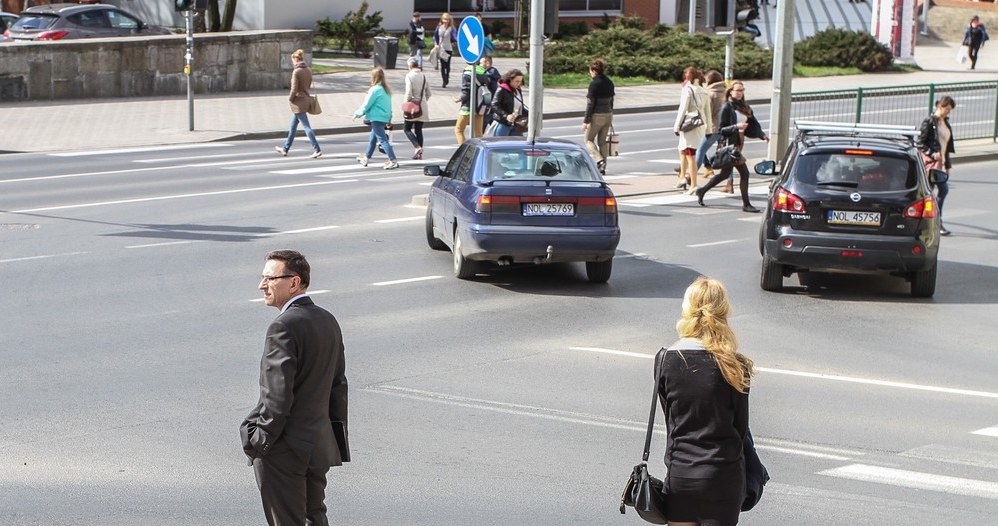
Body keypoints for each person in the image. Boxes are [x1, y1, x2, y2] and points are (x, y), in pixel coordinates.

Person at [241, 249, 349, 526]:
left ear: (293, 283)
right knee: (314, 517)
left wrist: (260, 441)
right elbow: (338, 385)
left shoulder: (283, 327)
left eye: (270, 278)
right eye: (262, 278)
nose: (262, 285)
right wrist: (333, 440)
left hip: (285, 447)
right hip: (317, 445)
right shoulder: (327, 320)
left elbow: (277, 396)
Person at [659, 277, 754, 526]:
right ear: (723, 310)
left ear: (687, 308)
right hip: (723, 477)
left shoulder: (666, 360)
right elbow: (740, 429)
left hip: (681, 474)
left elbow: (672, 423)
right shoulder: (734, 364)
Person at [695, 80, 768, 213]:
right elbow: (721, 129)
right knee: (744, 174)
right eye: (738, 90)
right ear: (731, 91)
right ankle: (746, 204)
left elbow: (753, 123)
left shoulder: (744, 107)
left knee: (725, 174)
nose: (740, 93)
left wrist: (762, 135)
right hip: (729, 145)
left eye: (742, 90)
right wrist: (736, 126)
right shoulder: (726, 107)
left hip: (738, 143)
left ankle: (702, 190)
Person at [917, 95, 956, 236]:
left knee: (930, 193)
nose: (948, 112)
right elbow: (920, 142)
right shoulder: (929, 121)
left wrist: (948, 165)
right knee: (937, 191)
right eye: (947, 109)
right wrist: (932, 154)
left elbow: (946, 146)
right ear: (940, 106)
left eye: (950, 110)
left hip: (940, 165)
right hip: (931, 164)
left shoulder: (945, 122)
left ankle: (929, 223)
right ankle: (935, 224)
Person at [275, 49, 321, 159]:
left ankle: (317, 149)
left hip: (298, 102)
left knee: (306, 127)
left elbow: (294, 89)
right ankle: (285, 149)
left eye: (292, 60)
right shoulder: (308, 69)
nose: (292, 63)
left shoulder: (296, 71)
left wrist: (290, 99)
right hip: (306, 99)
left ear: (295, 59)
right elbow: (308, 85)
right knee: (293, 126)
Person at [673, 67, 711, 194]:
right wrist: (709, 129)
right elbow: (708, 112)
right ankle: (682, 177)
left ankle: (693, 184)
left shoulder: (687, 90)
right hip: (699, 124)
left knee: (689, 153)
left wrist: (676, 126)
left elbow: (682, 109)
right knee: (683, 150)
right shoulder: (703, 91)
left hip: (688, 124)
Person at [354, 67, 399, 170]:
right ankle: (367, 157)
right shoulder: (386, 89)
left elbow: (367, 104)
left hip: (376, 117)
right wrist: (389, 117)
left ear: (373, 77)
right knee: (372, 139)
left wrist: (358, 113)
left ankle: (393, 161)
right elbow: (389, 105)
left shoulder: (374, 89)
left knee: (382, 140)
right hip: (384, 117)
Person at [695, 70, 728, 193]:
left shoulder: (710, 94)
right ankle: (729, 183)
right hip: (726, 128)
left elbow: (708, 113)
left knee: (701, 150)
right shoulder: (726, 92)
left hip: (713, 128)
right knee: (726, 155)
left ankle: (691, 178)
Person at [582, 58, 615, 175]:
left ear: (593, 70)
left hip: (597, 115)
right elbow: (611, 100)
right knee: (602, 142)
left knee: (588, 140)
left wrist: (586, 121)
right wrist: (611, 114)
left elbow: (590, 104)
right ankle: (603, 168)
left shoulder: (594, 84)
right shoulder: (609, 82)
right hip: (608, 114)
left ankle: (599, 160)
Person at [403, 56, 432, 160]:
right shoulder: (423, 75)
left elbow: (408, 93)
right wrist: (423, 101)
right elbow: (429, 93)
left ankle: (417, 147)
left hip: (412, 107)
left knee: (407, 128)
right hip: (423, 106)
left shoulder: (409, 76)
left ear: (410, 66)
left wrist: (406, 104)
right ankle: (419, 154)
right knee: (418, 130)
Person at [454, 62, 488, 145]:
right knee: (478, 134)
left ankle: (463, 153)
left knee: (459, 130)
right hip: (480, 106)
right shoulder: (483, 72)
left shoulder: (467, 72)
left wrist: (459, 99)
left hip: (468, 107)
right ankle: (479, 153)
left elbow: (467, 91)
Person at [491, 69, 528, 137]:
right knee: (501, 145)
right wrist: (506, 116)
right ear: (510, 80)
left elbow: (519, 107)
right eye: (517, 81)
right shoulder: (502, 89)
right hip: (503, 123)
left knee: (517, 146)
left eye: (520, 81)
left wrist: (530, 114)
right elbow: (494, 105)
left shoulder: (518, 90)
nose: (519, 84)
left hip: (517, 123)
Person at [433, 13, 457, 88]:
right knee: (443, 66)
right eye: (444, 19)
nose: (446, 21)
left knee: (447, 66)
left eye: (447, 19)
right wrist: (436, 44)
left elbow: (454, 36)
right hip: (441, 49)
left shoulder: (451, 28)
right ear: (442, 19)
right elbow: (435, 36)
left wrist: (457, 40)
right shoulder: (439, 27)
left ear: (449, 20)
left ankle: (447, 75)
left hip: (448, 48)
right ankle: (444, 81)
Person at [480, 56, 502, 132]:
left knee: (482, 125)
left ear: (487, 63)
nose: (479, 65)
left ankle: (478, 137)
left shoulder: (489, 74)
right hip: (491, 102)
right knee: (493, 122)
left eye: (481, 63)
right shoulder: (493, 74)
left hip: (488, 102)